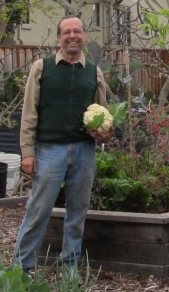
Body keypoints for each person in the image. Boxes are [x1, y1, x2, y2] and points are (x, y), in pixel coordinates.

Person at [13, 15, 113, 276]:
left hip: (83, 151)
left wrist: (105, 133)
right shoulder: (42, 68)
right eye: (67, 32)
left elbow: (103, 114)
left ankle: (70, 264)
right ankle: (21, 268)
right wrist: (27, 152)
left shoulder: (94, 71)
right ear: (59, 38)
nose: (72, 36)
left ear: (84, 37)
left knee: (77, 213)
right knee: (38, 211)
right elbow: (29, 113)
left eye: (77, 31)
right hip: (48, 151)